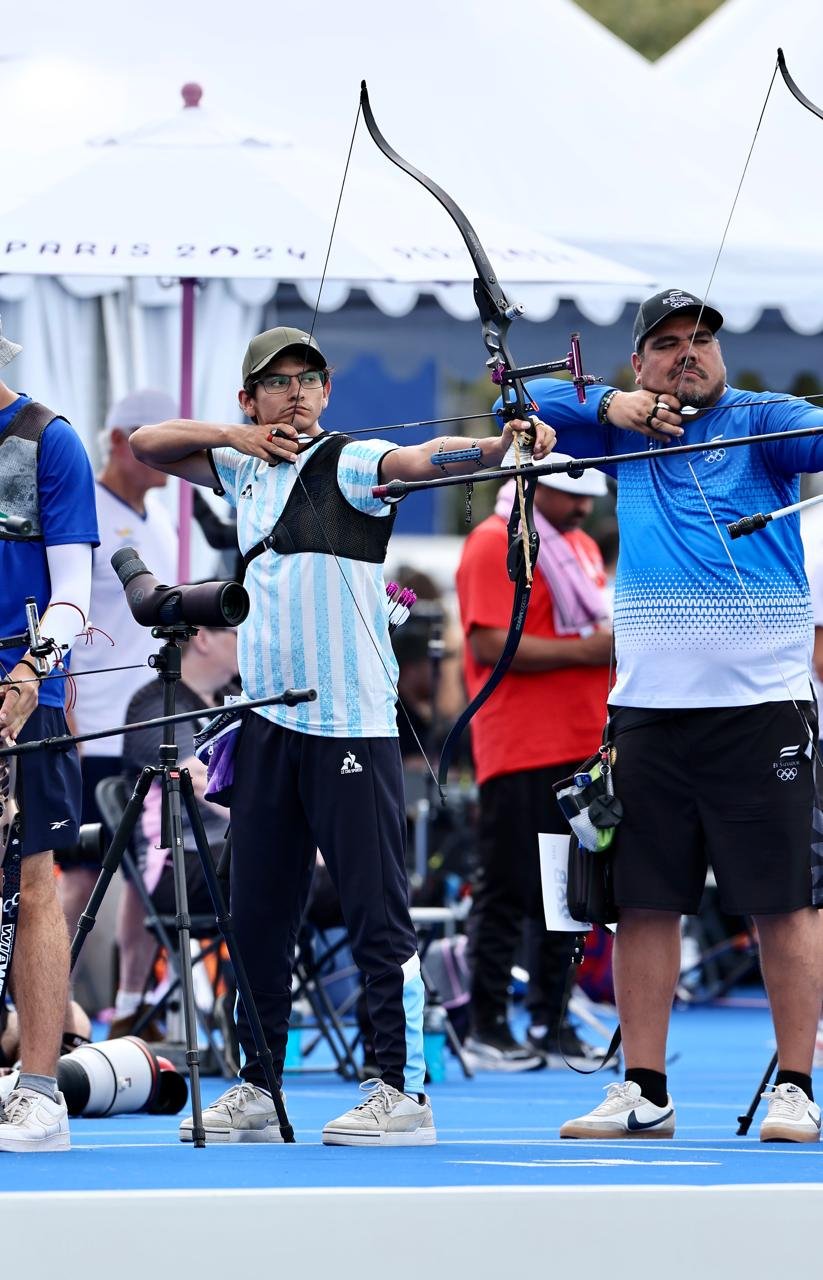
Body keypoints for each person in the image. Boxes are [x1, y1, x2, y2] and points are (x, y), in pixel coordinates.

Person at [129, 324, 555, 1146]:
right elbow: (148, 445)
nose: (296, 394)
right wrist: (233, 436)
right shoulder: (242, 467)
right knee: (257, 915)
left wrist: (499, 446)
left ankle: (399, 1090)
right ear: (249, 400)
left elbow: (421, 460)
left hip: (346, 727)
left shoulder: (350, 463)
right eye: (277, 383)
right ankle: (257, 1084)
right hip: (267, 726)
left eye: (309, 381)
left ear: (326, 395)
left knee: (374, 915)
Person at [513, 287, 823, 1142]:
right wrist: (610, 404)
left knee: (781, 902)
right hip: (647, 710)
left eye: (701, 340)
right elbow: (520, 402)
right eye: (668, 343)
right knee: (644, 902)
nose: (689, 353)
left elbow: (815, 436)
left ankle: (795, 1087)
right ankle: (642, 1089)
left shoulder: (764, 416)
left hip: (759, 705)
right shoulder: (619, 428)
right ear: (639, 363)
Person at [455, 459, 613, 1071]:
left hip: (582, 744)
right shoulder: (492, 541)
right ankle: (488, 1023)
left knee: (574, 892)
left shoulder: (579, 547)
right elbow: (491, 644)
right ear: (533, 486)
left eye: (588, 497)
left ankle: (553, 1017)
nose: (582, 508)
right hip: (520, 745)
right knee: (508, 886)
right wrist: (592, 649)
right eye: (570, 495)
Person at [0, 317, 98, 1151]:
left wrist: (32, 670)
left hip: (24, 692)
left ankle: (39, 1090)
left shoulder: (47, 440)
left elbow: (74, 590)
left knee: (35, 882)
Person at [59, 389, 178, 1039]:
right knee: (77, 875)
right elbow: (67, 616)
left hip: (149, 731)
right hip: (96, 729)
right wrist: (69, 724)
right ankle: (46, 1008)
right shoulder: (88, 512)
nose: (165, 459)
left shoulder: (161, 521)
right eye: (150, 442)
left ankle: (131, 1003)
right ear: (116, 441)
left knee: (146, 875)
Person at [121, 625, 239, 921]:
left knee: (362, 862)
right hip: (178, 862)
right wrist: (278, 828)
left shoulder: (234, 696)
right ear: (202, 637)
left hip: (227, 847)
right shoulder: (158, 703)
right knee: (278, 861)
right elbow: (202, 781)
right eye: (239, 632)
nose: (250, 640)